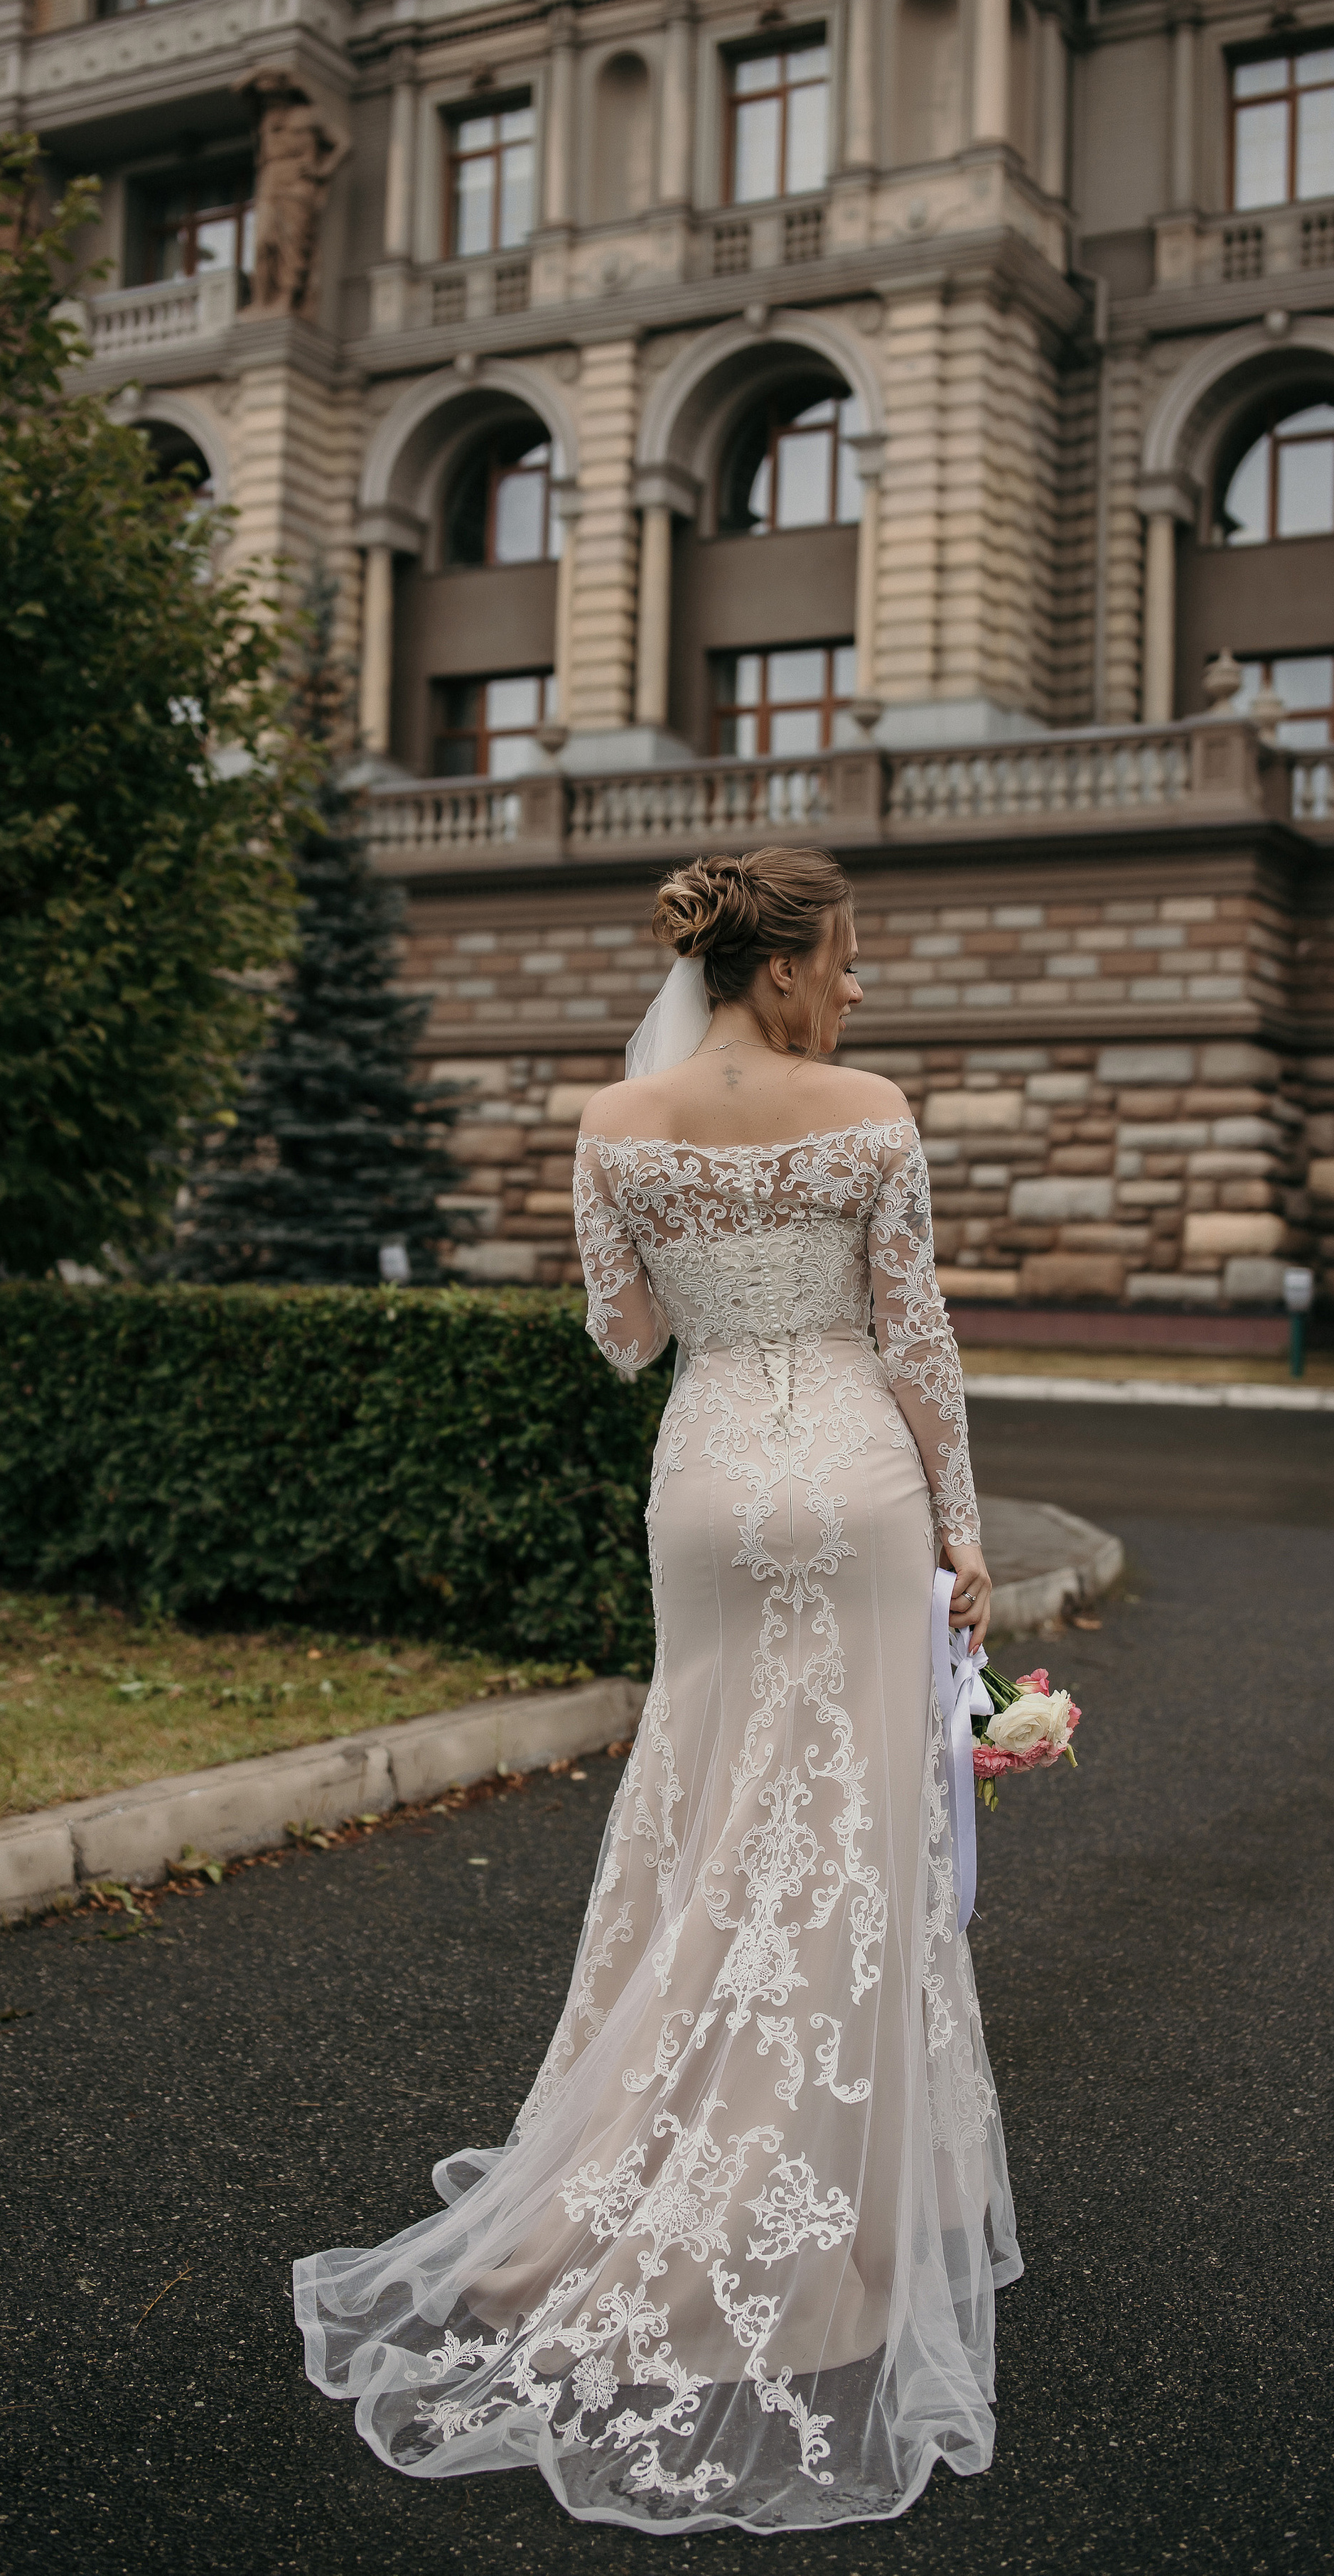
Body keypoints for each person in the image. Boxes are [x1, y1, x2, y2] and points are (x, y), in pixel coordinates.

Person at [294, 847, 1018, 2531]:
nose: (859, 988)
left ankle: (632, 2187)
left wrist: (709, 1276)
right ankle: (822, 2230)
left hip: (705, 1488)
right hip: (851, 1483)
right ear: (778, 972)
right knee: (838, 1837)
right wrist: (965, 1532)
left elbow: (621, 1332)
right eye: (845, 957)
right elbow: (912, 1336)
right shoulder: (871, 1105)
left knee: (704, 1818)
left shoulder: (610, 1125)